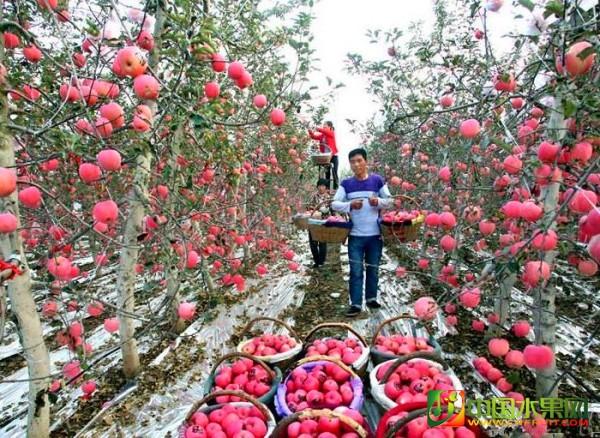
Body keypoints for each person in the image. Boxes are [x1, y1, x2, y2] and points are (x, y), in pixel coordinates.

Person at [331, 148, 392, 317]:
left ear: (366, 161)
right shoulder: (346, 184)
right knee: (356, 270)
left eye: (359, 160)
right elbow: (335, 203)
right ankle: (356, 303)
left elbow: (390, 201)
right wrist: (350, 205)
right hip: (355, 236)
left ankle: (371, 298)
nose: (356, 164)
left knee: (373, 268)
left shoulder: (377, 181)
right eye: (352, 162)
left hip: (374, 236)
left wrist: (378, 202)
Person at [307, 178, 331, 268]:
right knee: (313, 243)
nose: (321, 188)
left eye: (323, 186)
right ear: (317, 187)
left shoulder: (329, 198)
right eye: (320, 186)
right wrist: (315, 210)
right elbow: (309, 207)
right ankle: (316, 261)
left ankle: (321, 262)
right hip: (313, 222)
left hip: (324, 222)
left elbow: (332, 210)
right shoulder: (313, 197)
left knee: (322, 242)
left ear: (326, 188)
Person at [308, 121, 339, 190]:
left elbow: (325, 131)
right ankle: (327, 188)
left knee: (334, 172)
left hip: (333, 155)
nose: (323, 126)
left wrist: (317, 128)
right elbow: (313, 136)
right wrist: (310, 130)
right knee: (327, 173)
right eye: (323, 125)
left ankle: (336, 188)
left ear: (330, 127)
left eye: (325, 125)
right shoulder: (322, 135)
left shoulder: (331, 133)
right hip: (326, 156)